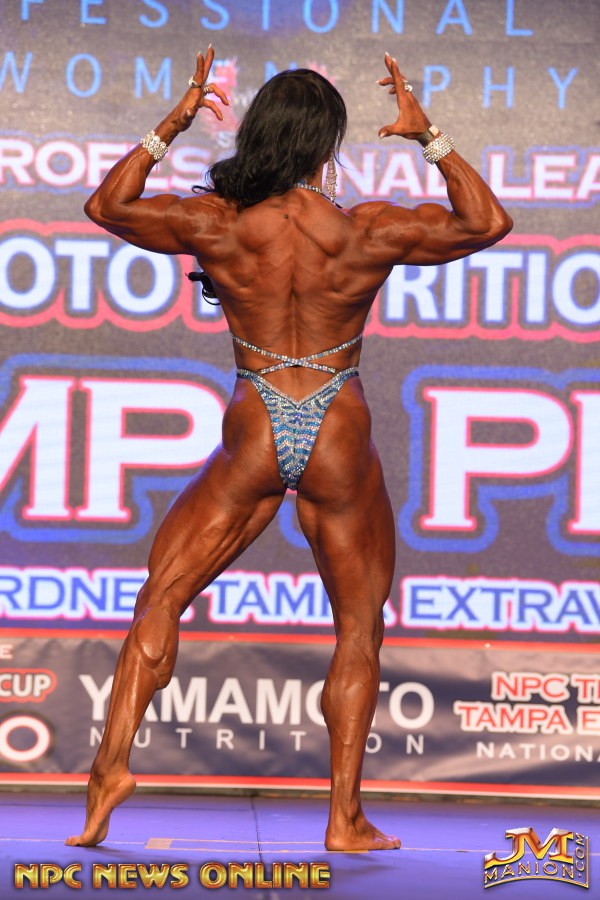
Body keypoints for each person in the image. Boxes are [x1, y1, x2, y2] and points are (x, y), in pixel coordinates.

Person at [66, 48, 512, 852]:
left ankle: (108, 782)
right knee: (358, 628)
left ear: (261, 133)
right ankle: (344, 817)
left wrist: (172, 125)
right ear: (326, 144)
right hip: (337, 422)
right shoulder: (365, 228)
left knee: (161, 597)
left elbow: (108, 205)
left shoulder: (218, 223)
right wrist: (429, 137)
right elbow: (487, 223)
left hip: (257, 421)